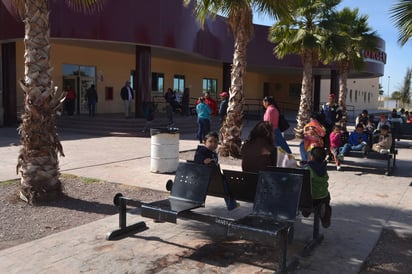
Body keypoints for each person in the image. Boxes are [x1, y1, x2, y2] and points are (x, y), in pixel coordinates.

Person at [194, 131, 239, 210]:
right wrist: (203, 160)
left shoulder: (213, 153)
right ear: (204, 142)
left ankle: (231, 203)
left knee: (227, 183)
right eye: (210, 141)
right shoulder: (202, 151)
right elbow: (197, 158)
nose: (213, 144)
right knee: (226, 185)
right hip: (206, 179)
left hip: (213, 178)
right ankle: (231, 204)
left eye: (215, 142)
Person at [303, 147, 332, 228]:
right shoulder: (324, 167)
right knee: (327, 199)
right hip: (323, 196)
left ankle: (306, 211)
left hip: (312, 198)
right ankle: (325, 217)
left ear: (311, 157)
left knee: (305, 196)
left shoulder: (308, 168)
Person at [320, 93, 342, 160]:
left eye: (332, 99)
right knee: (323, 140)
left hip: (332, 126)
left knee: (330, 141)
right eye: (329, 98)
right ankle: (323, 154)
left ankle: (330, 154)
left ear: (334, 99)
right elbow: (321, 115)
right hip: (324, 126)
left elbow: (340, 115)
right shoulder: (324, 106)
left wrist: (335, 120)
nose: (330, 100)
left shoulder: (337, 107)